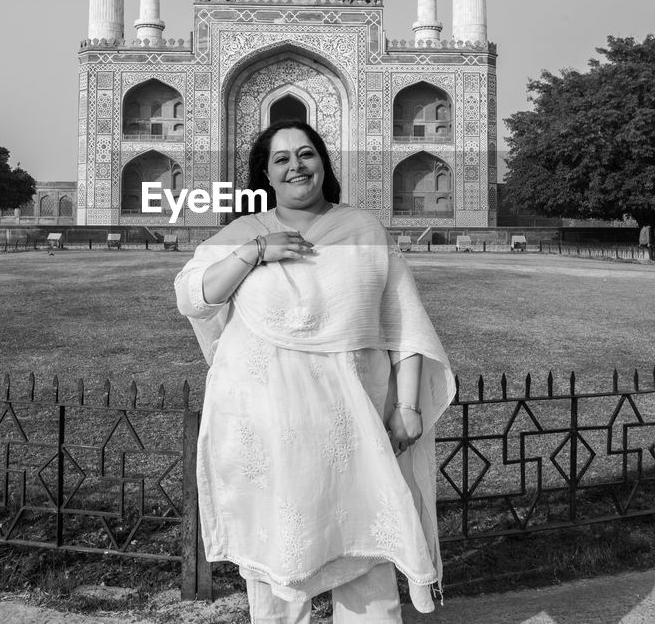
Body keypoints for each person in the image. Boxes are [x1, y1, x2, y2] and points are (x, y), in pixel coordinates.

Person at [174, 120, 454, 623]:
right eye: (281, 159)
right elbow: (193, 296)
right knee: (279, 574)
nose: (295, 165)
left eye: (305, 154)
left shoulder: (362, 231)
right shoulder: (245, 233)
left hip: (353, 425)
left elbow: (402, 324)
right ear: (265, 175)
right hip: (267, 432)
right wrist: (257, 253)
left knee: (368, 556)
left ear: (324, 162)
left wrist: (408, 407)